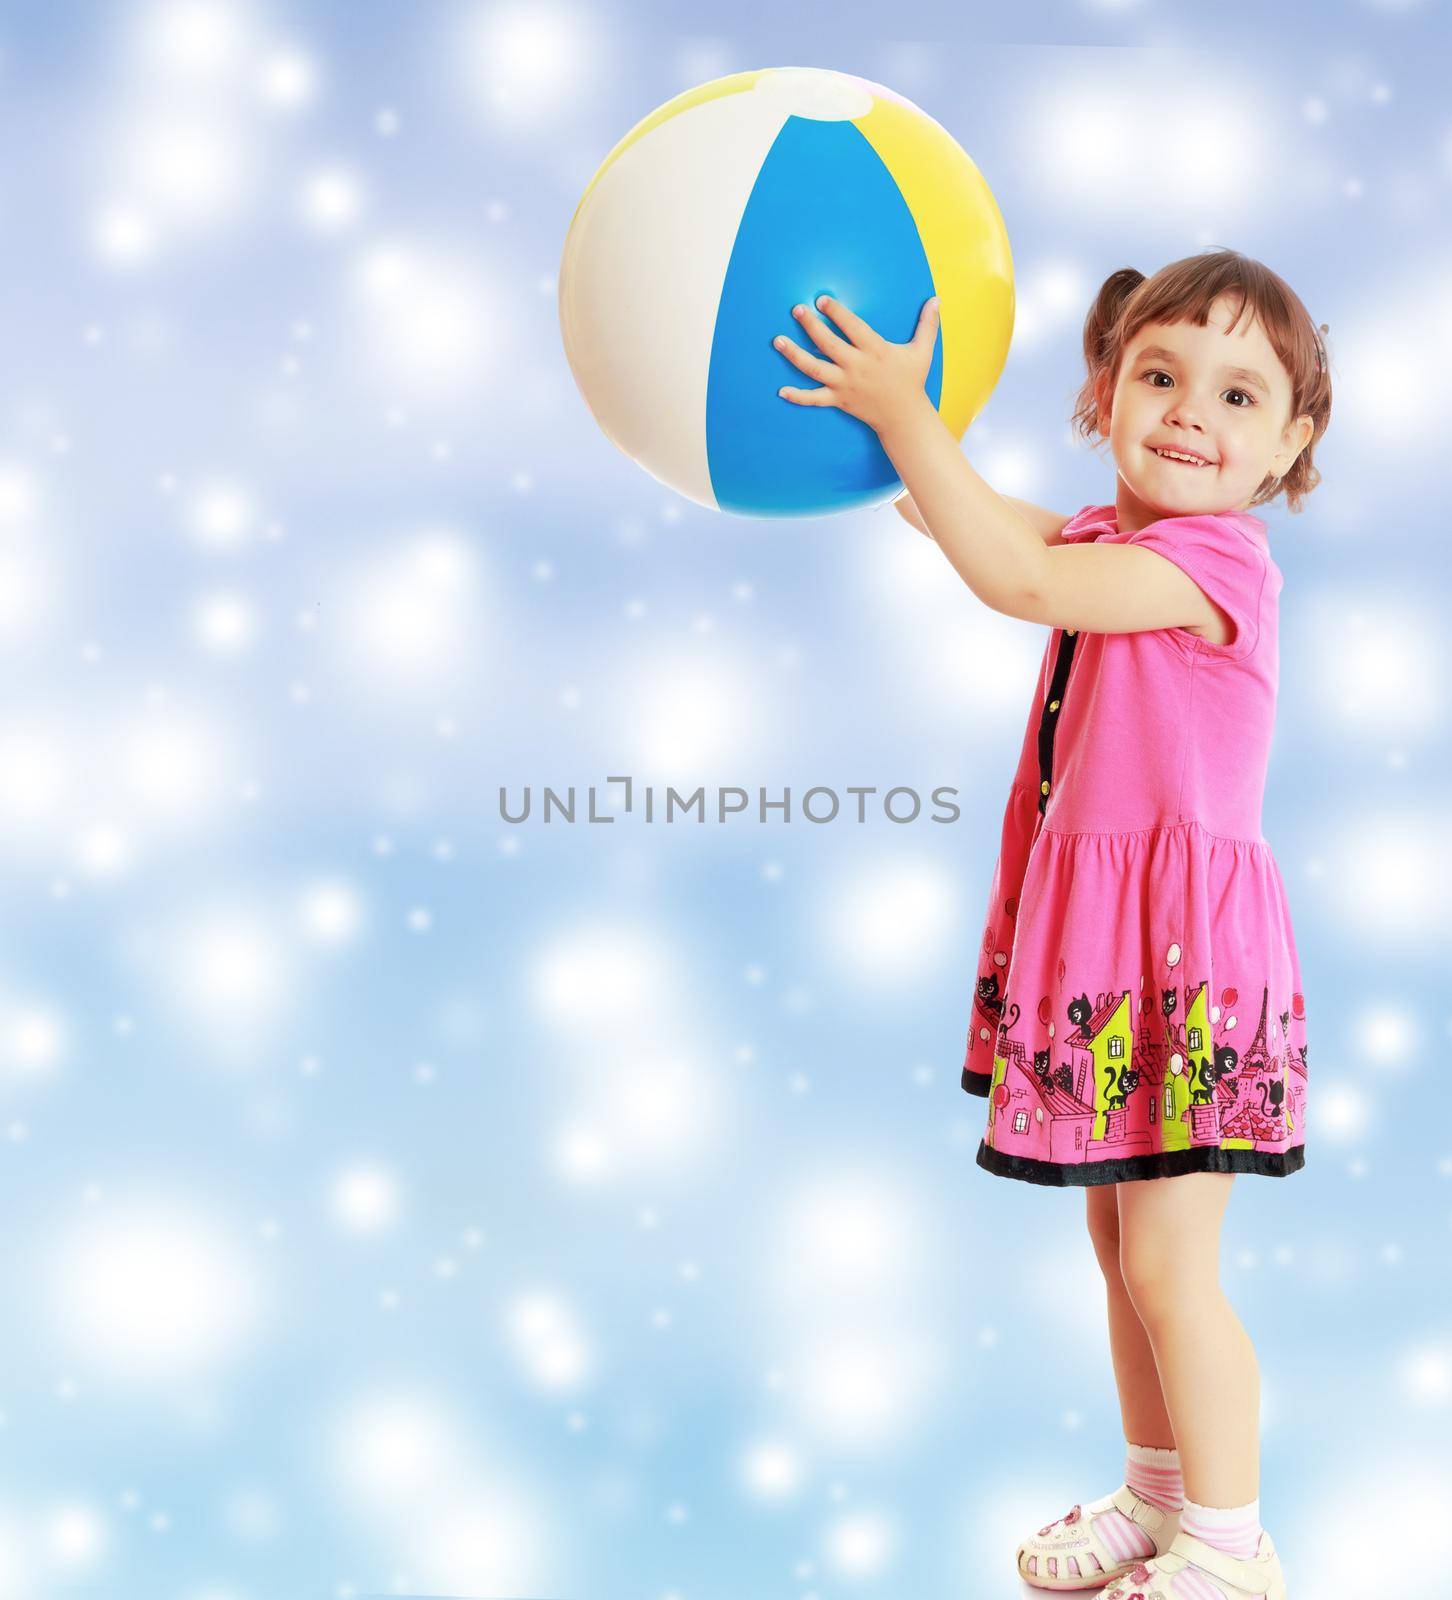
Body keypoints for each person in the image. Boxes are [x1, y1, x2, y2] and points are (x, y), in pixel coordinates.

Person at [773, 246, 1332, 1600]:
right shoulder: (1108, 536)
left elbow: (1019, 583)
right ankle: (1158, 1496)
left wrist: (906, 418)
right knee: (1117, 1246)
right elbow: (993, 529)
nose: (1192, 410)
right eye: (1160, 373)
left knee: (1176, 1265)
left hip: (1188, 966)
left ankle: (1235, 1544)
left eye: (1241, 395)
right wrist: (899, 441)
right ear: (1104, 389)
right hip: (1111, 959)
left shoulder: (1219, 568)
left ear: (1289, 447)